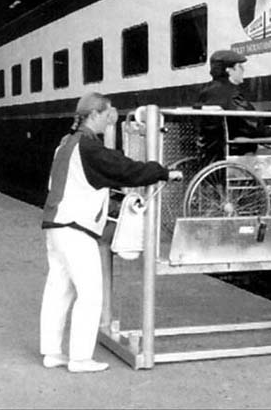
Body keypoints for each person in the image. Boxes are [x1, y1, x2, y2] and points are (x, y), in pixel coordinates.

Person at [40, 92, 181, 373]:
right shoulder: (89, 147)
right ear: (93, 115)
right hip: (75, 228)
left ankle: (52, 352)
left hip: (56, 225)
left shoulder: (66, 143)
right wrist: (161, 171)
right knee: (91, 293)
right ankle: (80, 358)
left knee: (59, 289)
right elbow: (123, 170)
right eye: (106, 117)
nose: (108, 123)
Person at [196, 49, 271, 214]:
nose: (243, 71)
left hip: (215, 156)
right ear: (229, 70)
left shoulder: (205, 93)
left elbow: (239, 128)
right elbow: (251, 126)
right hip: (241, 156)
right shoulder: (232, 95)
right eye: (240, 67)